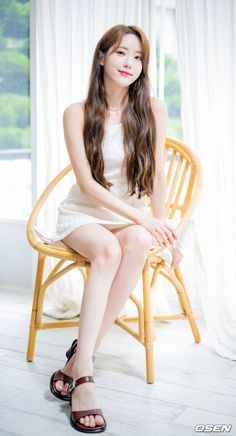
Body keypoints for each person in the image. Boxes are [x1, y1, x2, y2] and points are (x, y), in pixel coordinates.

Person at [49, 24, 183, 433]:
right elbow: (87, 184)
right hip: (83, 215)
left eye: (138, 57)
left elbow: (158, 175)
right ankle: (85, 379)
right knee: (107, 250)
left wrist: (159, 225)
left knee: (140, 241)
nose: (130, 63)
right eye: (122, 53)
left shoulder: (153, 109)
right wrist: (141, 216)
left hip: (132, 218)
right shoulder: (77, 112)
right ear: (103, 57)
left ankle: (78, 361)